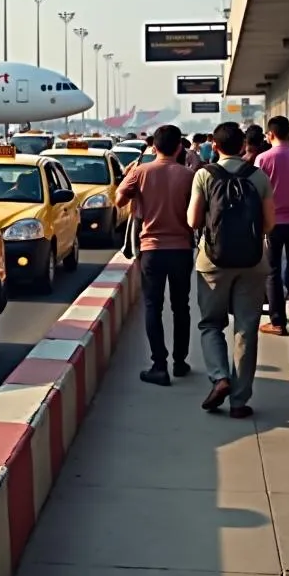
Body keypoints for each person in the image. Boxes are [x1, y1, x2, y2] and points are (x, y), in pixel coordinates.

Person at [188, 121, 273, 417]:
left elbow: (193, 221)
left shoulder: (204, 175)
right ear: (242, 146)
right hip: (252, 261)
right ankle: (239, 401)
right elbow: (270, 224)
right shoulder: (258, 176)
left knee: (211, 324)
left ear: (216, 146)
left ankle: (219, 377)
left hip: (212, 261)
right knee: (246, 329)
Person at [116, 124, 195, 387]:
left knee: (153, 306)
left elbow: (118, 200)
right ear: (179, 147)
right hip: (182, 248)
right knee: (181, 306)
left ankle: (159, 365)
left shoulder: (140, 172)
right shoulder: (189, 175)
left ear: (154, 147)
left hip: (151, 249)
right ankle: (180, 362)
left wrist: (128, 178)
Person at [255, 115, 289, 336]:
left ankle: (277, 321)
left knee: (272, 272)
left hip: (271, 224)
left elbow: (259, 193)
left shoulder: (263, 159)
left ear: (269, 135)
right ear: (288, 133)